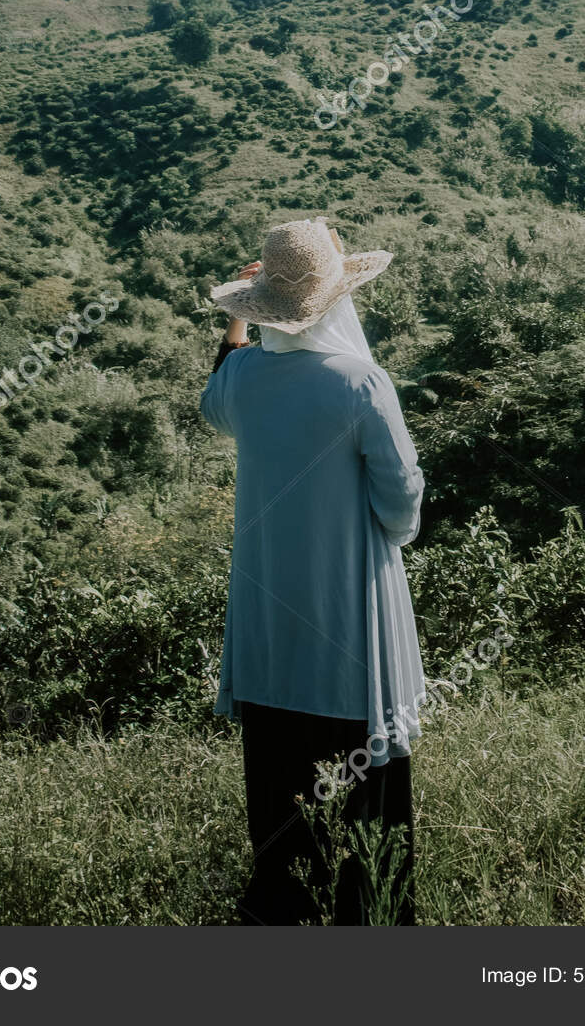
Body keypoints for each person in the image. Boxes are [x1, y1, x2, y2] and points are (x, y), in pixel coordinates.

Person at [201, 216, 426, 925]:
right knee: (370, 789)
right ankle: (370, 916)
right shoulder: (362, 383)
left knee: (278, 782)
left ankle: (285, 906)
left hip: (271, 632)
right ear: (338, 299)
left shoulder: (242, 380)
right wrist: (389, 533)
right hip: (351, 622)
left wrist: (235, 329)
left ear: (262, 305)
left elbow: (213, 400)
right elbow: (401, 496)